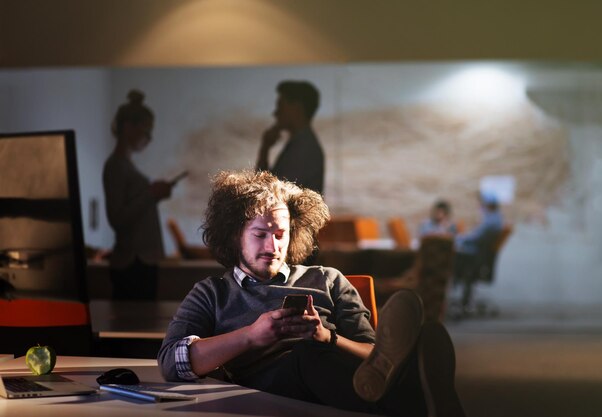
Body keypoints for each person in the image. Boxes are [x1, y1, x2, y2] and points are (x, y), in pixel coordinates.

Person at [157, 170, 465, 417]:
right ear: (234, 235)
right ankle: (417, 403)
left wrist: (328, 337)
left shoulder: (328, 279)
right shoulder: (212, 293)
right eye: (260, 234)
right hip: (265, 389)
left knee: (325, 352)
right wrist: (251, 336)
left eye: (281, 234)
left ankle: (400, 396)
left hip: (341, 374)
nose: (273, 246)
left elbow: (375, 354)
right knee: (306, 356)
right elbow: (172, 361)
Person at [103, 89, 173, 300]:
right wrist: (151, 194)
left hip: (138, 261)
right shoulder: (116, 165)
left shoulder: (123, 165)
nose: (149, 138)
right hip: (133, 263)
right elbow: (117, 218)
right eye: (146, 131)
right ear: (128, 127)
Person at [256, 80, 325, 195]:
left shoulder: (303, 149)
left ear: (296, 109)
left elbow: (269, 195)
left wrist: (265, 149)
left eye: (281, 106)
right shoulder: (301, 144)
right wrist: (265, 148)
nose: (276, 113)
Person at [453, 192, 504, 311]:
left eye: (482, 203)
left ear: (488, 205)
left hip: (475, 258)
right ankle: (464, 300)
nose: (480, 206)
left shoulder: (490, 221)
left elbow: (475, 238)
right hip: (479, 256)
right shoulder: (495, 218)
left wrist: (457, 239)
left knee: (453, 257)